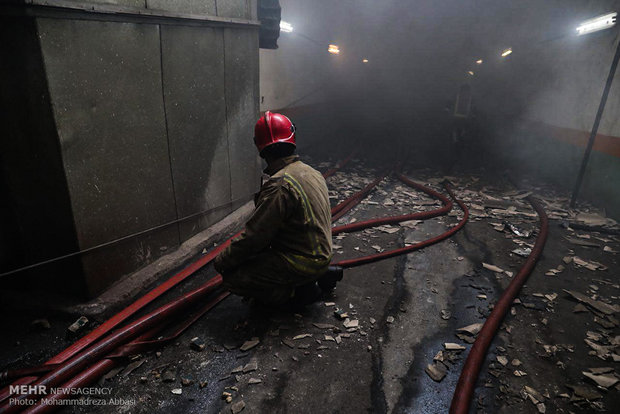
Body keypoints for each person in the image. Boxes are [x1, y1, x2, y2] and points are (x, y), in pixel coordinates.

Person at [214, 111, 342, 307]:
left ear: (262, 150)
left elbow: (255, 236)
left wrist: (223, 261)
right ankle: (316, 275)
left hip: (302, 261)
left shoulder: (280, 184)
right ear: (292, 139)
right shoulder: (311, 172)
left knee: (234, 279)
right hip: (319, 254)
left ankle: (299, 293)